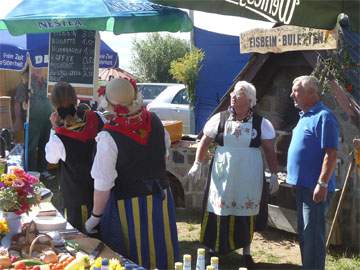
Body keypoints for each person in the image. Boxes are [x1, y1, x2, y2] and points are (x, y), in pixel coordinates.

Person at [85, 78, 177, 270]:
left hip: (129, 205)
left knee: (133, 257)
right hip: (160, 199)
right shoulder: (156, 122)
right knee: (161, 250)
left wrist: (95, 217)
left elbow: (103, 185)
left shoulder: (109, 137)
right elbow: (163, 156)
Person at [187, 81, 279, 268]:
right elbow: (205, 142)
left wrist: (275, 173)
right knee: (220, 205)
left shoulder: (262, 123)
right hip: (223, 171)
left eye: (238, 94)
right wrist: (198, 163)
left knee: (246, 207)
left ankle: (246, 250)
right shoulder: (219, 119)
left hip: (249, 173)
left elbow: (269, 150)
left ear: (250, 100)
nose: (233, 96)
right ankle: (215, 248)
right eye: (233, 93)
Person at [287, 75, 339, 270]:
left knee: (313, 238)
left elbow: (331, 154)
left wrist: (322, 184)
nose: (292, 94)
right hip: (302, 188)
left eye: (296, 91)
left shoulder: (324, 116)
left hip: (315, 190)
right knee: (304, 235)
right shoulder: (304, 116)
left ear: (311, 93)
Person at [45, 81, 104, 231]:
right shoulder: (97, 118)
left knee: (79, 242)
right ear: (75, 98)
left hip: (75, 198)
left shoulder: (58, 137)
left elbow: (51, 159)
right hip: (102, 193)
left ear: (54, 106)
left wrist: (54, 128)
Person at [14, 66, 52, 174]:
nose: (38, 70)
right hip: (33, 120)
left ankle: (43, 170)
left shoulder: (47, 83)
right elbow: (17, 103)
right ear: (30, 69)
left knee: (45, 145)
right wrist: (18, 119)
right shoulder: (26, 84)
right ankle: (31, 172)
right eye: (35, 67)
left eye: (40, 67)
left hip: (47, 120)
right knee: (31, 147)